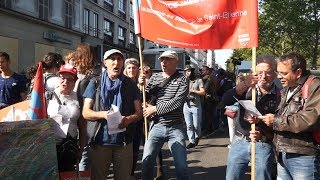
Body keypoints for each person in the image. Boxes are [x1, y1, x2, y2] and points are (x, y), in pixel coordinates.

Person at [82, 49, 142, 180]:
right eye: (112, 59)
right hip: (100, 142)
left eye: (119, 59)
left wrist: (129, 119)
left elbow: (139, 113)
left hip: (124, 143)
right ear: (105, 63)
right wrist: (103, 114)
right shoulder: (95, 83)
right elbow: (86, 112)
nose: (116, 62)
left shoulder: (131, 84)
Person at [258, 52, 320, 180]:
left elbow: (310, 119)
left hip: (304, 157)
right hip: (282, 154)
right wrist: (261, 128)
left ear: (298, 72)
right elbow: (281, 119)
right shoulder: (286, 90)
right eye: (278, 72)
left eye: (284, 73)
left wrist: (275, 121)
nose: (279, 77)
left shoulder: (314, 86)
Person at [222, 54, 281, 180]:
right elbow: (226, 100)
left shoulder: (280, 95)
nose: (264, 76)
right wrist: (245, 84)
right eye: (260, 72)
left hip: (263, 144)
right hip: (240, 141)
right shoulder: (248, 90)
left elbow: (282, 124)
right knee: (232, 177)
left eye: (268, 72)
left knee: (262, 176)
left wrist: (263, 133)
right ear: (253, 73)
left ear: (275, 74)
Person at [139, 50, 189, 180]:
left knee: (181, 166)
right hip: (156, 125)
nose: (163, 62)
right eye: (162, 59)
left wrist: (154, 109)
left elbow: (177, 102)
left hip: (176, 127)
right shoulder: (155, 77)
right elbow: (145, 97)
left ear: (176, 61)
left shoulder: (183, 79)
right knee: (146, 162)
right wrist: (141, 85)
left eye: (167, 59)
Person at [46, 64, 81, 172]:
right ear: (58, 77)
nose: (65, 82)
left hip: (69, 146)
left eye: (70, 79)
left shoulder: (79, 98)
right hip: (50, 146)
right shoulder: (47, 96)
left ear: (75, 81)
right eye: (63, 78)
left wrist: (81, 148)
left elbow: (83, 126)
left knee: (67, 174)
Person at [73, 42, 98, 171]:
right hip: (87, 121)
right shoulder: (94, 76)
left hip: (84, 122)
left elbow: (81, 104)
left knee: (84, 154)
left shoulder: (85, 79)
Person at [183, 64, 205, 149]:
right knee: (189, 125)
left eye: (188, 71)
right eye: (186, 71)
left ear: (192, 71)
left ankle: (197, 136)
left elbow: (203, 92)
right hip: (186, 106)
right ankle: (191, 141)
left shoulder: (199, 81)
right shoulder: (184, 81)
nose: (187, 73)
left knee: (196, 125)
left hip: (196, 106)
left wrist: (194, 91)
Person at [201, 65, 218, 136]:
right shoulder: (205, 78)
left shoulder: (209, 78)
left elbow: (205, 88)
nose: (202, 71)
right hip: (207, 99)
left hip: (210, 99)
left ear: (207, 71)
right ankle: (210, 129)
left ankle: (209, 130)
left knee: (208, 115)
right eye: (202, 70)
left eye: (203, 70)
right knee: (208, 115)